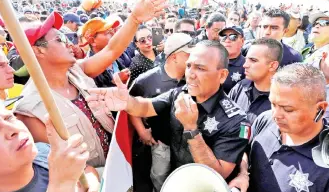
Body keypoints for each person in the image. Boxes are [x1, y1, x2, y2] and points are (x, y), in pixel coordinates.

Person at [14, 0, 168, 169]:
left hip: (117, 162)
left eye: (66, 38)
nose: (70, 44)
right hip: (95, 185)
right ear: (38, 51)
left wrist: (134, 19)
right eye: (60, 39)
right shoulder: (30, 110)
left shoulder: (77, 71)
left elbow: (111, 51)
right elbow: (59, 165)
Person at [86, 40, 248, 181]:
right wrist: (128, 102)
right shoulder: (181, 92)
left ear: (222, 75)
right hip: (175, 175)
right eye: (189, 66)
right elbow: (146, 107)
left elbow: (217, 174)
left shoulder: (236, 121)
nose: (191, 74)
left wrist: (191, 129)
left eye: (200, 68)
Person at [0, 85, 99, 192]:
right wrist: (61, 184)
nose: (13, 129)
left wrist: (92, 184)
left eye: (8, 118)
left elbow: (85, 169)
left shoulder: (43, 152)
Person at [230, 64, 329, 192]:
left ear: (320, 108)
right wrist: (243, 173)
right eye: (273, 104)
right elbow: (244, 149)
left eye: (288, 109)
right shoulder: (265, 119)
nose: (276, 115)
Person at [129, 33, 193, 192]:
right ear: (174, 56)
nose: (193, 59)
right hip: (161, 144)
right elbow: (131, 106)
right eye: (188, 55)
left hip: (189, 146)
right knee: (160, 182)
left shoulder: (194, 78)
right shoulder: (146, 80)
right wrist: (142, 131)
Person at [228, 38, 282, 124]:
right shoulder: (240, 86)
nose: (245, 65)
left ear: (272, 65)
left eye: (253, 60)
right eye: (246, 59)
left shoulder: (282, 100)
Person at [81, 17, 129, 87]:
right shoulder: (88, 69)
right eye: (107, 33)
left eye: (112, 31)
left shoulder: (117, 56)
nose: (113, 34)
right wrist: (115, 82)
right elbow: (96, 93)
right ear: (93, 41)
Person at [219, 26, 246, 93]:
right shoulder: (211, 61)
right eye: (224, 37)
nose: (227, 40)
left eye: (233, 37)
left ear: (242, 41)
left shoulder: (247, 65)